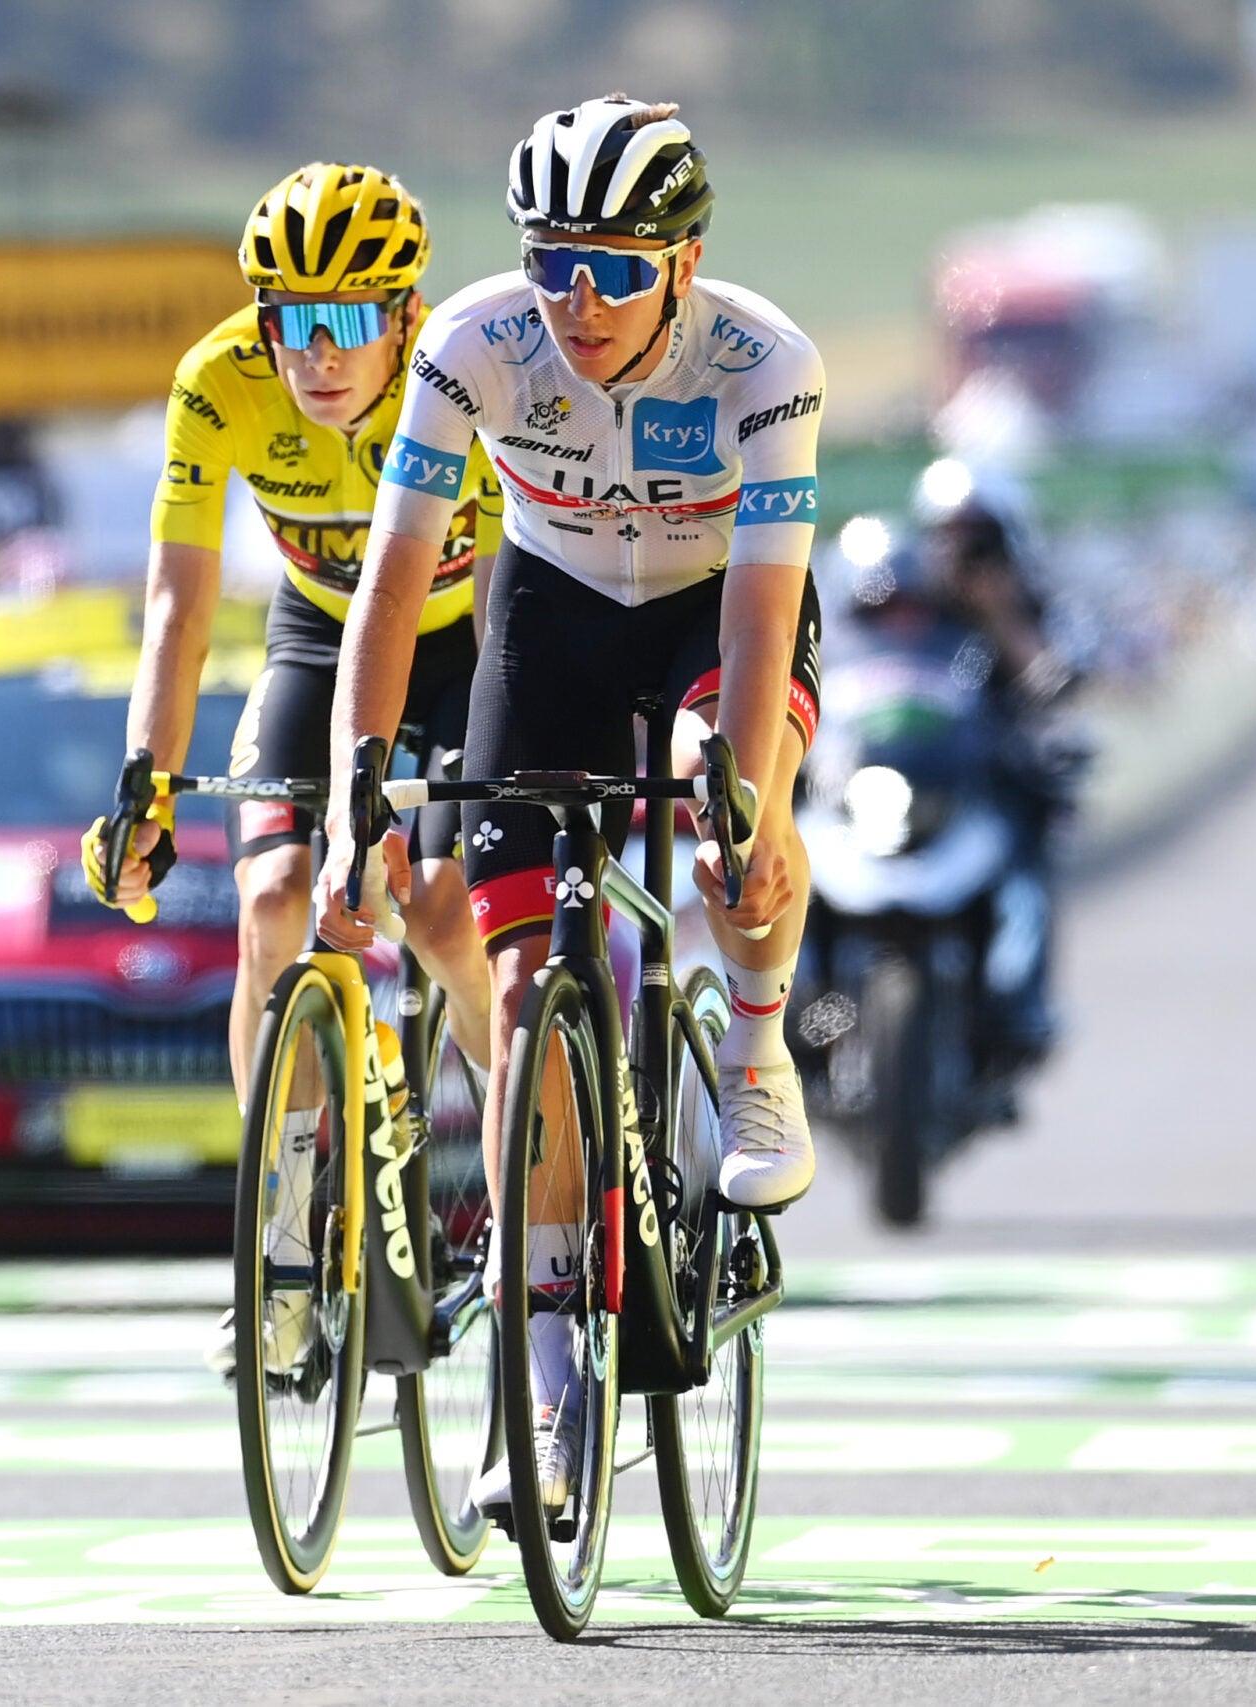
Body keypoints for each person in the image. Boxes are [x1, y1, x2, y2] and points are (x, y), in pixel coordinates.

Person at [315, 96, 827, 1510]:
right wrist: (362, 771)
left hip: (715, 607)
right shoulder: (472, 342)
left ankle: (758, 1056)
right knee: (532, 977)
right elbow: (400, 569)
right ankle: (546, 1410)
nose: (578, 299)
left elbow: (768, 604)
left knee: (732, 811)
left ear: (684, 257)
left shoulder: (765, 361)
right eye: (553, 260)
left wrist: (744, 788)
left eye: (613, 264)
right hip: (548, 605)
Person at [81, 163, 502, 1374]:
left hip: (471, 638)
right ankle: (282, 1237)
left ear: (406, 318)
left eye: (345, 321)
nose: (314, 354)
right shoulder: (218, 385)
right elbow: (177, 605)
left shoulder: (456, 384)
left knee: (433, 906)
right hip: (321, 634)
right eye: (288, 321)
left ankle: (526, 1131)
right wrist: (141, 782)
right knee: (270, 903)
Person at [858, 459, 1077, 1065]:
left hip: (983, 784)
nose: (960, 551)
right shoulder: (898, 599)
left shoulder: (1023, 603)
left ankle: (1016, 1005)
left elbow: (1050, 679)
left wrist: (999, 611)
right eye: (947, 534)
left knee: (1024, 869)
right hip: (895, 775)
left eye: (978, 537)